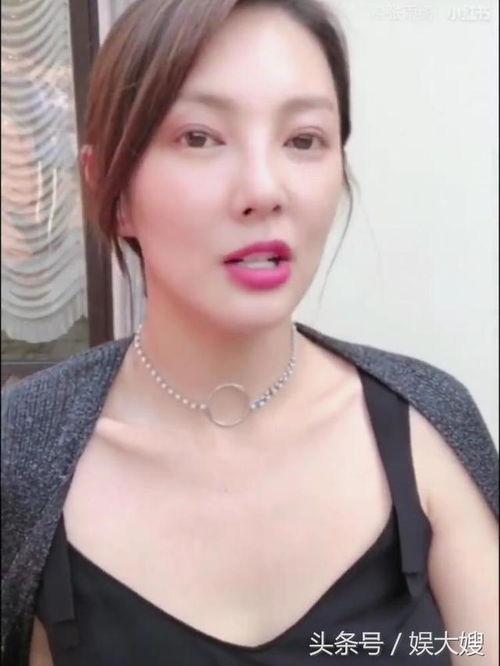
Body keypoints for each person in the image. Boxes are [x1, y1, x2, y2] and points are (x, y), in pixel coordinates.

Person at [1, 1, 498, 664]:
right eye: (199, 137)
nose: (265, 190)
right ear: (111, 191)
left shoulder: (427, 426)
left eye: (304, 140)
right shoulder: (23, 458)